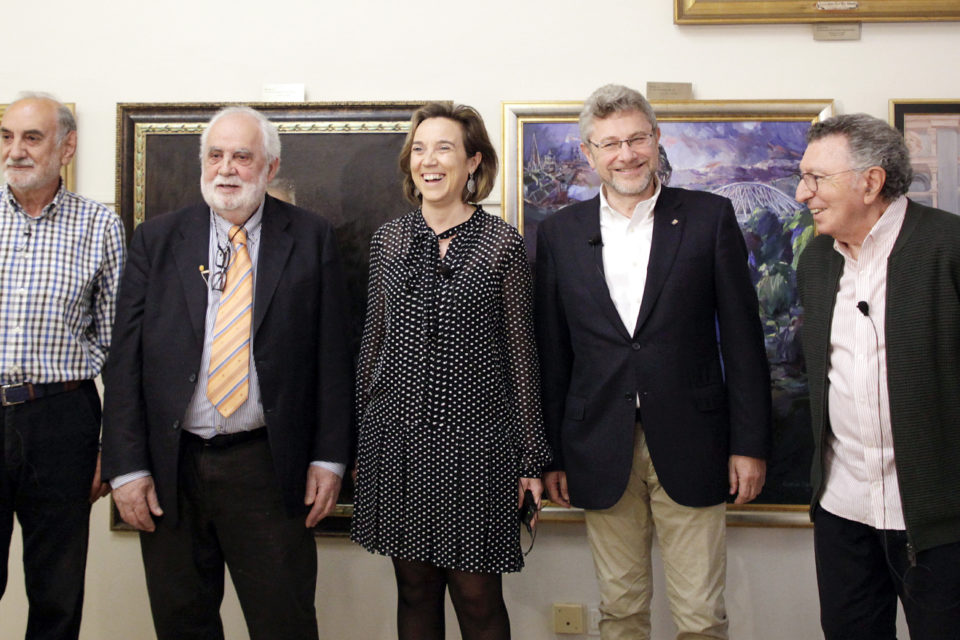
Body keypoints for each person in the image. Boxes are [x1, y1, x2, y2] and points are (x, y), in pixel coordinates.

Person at [101, 106, 354, 640]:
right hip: (172, 470)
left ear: (270, 166)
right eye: (215, 155)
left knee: (283, 622)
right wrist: (126, 467)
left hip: (266, 466)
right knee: (183, 625)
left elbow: (334, 357)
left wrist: (329, 457)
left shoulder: (311, 238)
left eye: (243, 156)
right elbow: (124, 362)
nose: (227, 169)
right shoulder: (157, 239)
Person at [535, 84, 771, 640]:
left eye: (637, 138)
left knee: (701, 616)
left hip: (695, 440)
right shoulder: (560, 234)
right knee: (620, 611)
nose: (626, 154)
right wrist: (551, 454)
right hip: (597, 445)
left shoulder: (708, 218)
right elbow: (553, 352)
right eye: (609, 143)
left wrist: (750, 444)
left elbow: (742, 340)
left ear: (657, 138)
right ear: (589, 154)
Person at [351, 102, 551, 640]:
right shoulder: (389, 241)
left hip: (478, 448)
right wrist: (358, 442)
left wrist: (530, 459)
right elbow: (371, 348)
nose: (428, 160)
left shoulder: (500, 244)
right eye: (419, 148)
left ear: (472, 162)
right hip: (396, 443)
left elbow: (521, 358)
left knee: (478, 599)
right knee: (414, 592)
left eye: (443, 148)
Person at [795, 113, 960, 640]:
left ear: (870, 182)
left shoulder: (948, 247)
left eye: (816, 178)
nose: (803, 193)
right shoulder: (817, 261)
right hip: (844, 513)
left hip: (940, 521)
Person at [0, 92, 125, 640]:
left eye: (32, 137)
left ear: (66, 147)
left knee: (56, 592)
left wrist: (113, 445)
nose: (15, 151)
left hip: (63, 420)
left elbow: (122, 347)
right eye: (6, 137)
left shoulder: (101, 226)